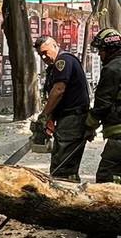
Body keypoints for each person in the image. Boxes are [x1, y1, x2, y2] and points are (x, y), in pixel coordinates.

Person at [85, 27, 121, 186]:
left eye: (101, 50)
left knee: (107, 175)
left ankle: (110, 208)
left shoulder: (112, 68)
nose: (99, 54)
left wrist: (89, 125)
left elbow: (102, 103)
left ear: (109, 49)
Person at [32, 34, 91, 180]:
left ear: (55, 45)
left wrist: (44, 116)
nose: (44, 58)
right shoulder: (54, 67)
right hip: (67, 118)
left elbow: (59, 90)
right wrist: (50, 120)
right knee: (61, 164)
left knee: (63, 170)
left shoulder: (63, 61)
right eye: (40, 55)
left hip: (72, 119)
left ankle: (67, 197)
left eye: (45, 53)